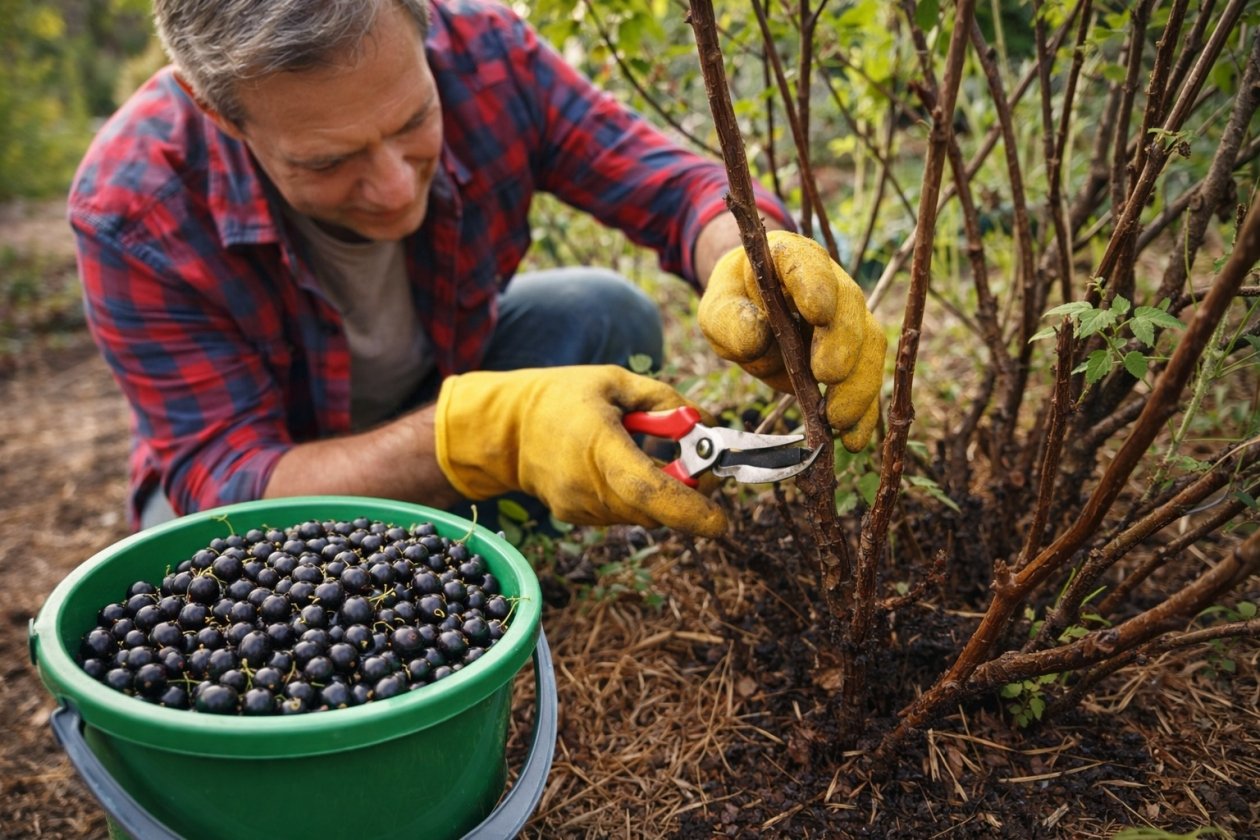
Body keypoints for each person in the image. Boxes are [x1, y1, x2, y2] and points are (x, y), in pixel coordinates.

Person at [69, 0, 885, 539]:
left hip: (430, 385)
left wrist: (752, 259)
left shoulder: (485, 53)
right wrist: (486, 431)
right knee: (217, 568)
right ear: (218, 111)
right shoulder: (134, 204)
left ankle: (473, 531)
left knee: (601, 313)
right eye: (328, 161)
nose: (392, 187)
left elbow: (672, 189)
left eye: (415, 120)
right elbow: (229, 480)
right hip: (273, 472)